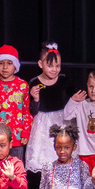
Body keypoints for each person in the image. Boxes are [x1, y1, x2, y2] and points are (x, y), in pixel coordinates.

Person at [26, 42, 76, 172]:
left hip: (62, 122)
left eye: (57, 65)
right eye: (50, 66)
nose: (54, 69)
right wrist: (36, 99)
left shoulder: (64, 81)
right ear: (40, 64)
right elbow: (32, 110)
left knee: (63, 155)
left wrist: (75, 99)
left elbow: (74, 102)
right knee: (45, 159)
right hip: (43, 125)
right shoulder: (34, 82)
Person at [0, 44, 31, 160]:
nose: (5, 67)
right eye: (1, 63)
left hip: (16, 138)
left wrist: (25, 133)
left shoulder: (23, 85)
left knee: (15, 170)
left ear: (15, 66)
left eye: (9, 63)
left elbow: (27, 111)